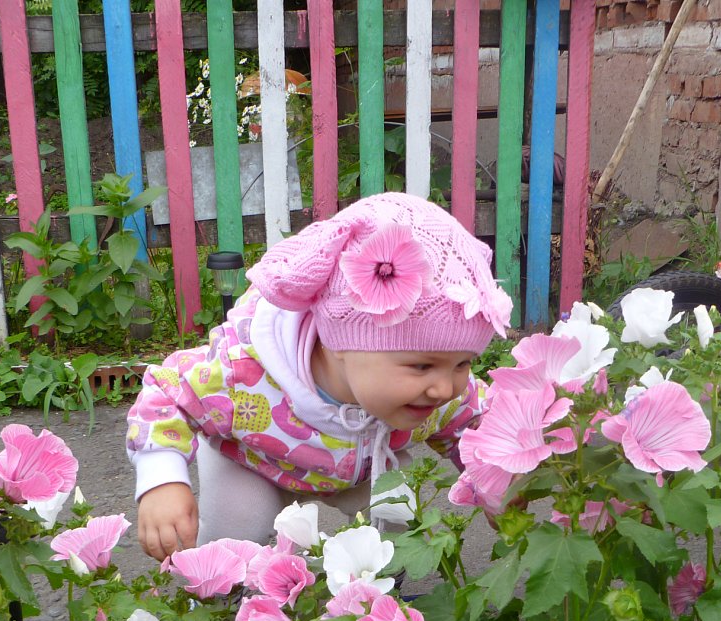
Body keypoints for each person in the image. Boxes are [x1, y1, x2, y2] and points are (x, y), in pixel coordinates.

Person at [127, 192, 512, 559]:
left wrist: (493, 482)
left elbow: (473, 426)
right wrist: (162, 479)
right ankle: (221, 592)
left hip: (364, 472)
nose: (444, 388)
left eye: (463, 364)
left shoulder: (437, 393)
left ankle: (379, 584)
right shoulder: (242, 373)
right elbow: (169, 390)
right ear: (340, 342)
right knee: (236, 526)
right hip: (256, 464)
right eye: (422, 366)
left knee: (401, 507)